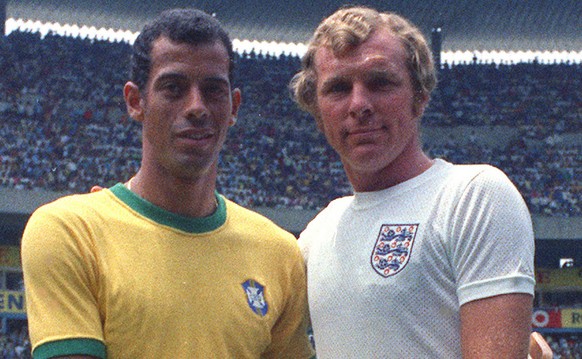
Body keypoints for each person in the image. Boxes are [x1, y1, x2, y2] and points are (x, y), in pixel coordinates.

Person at [21, 8, 314, 359]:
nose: (196, 107)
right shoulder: (71, 232)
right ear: (135, 101)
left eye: (213, 91)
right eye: (173, 88)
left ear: (234, 107)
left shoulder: (279, 253)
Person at [290, 6, 535, 358]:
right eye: (339, 88)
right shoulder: (316, 235)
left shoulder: (473, 196)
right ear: (317, 111)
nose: (359, 104)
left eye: (380, 82)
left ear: (420, 96)